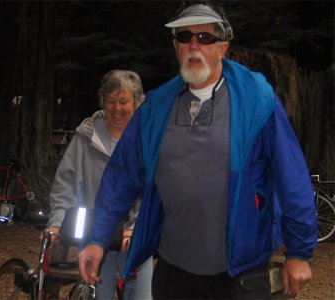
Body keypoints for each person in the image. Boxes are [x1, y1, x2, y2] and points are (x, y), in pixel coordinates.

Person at [78, 3, 317, 300]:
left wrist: (298, 251)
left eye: (205, 38)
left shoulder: (257, 99)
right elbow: (122, 176)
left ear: (223, 48)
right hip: (174, 268)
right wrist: (97, 238)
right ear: (174, 46)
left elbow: (291, 175)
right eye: (184, 37)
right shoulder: (155, 107)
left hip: (242, 269)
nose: (194, 45)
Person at [46, 70, 153, 300]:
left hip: (133, 240)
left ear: (137, 102)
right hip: (94, 235)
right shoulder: (86, 137)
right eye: (110, 101)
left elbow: (153, 190)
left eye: (123, 101)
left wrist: (136, 227)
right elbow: (66, 184)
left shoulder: (147, 139)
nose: (116, 108)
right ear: (102, 101)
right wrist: (56, 223)